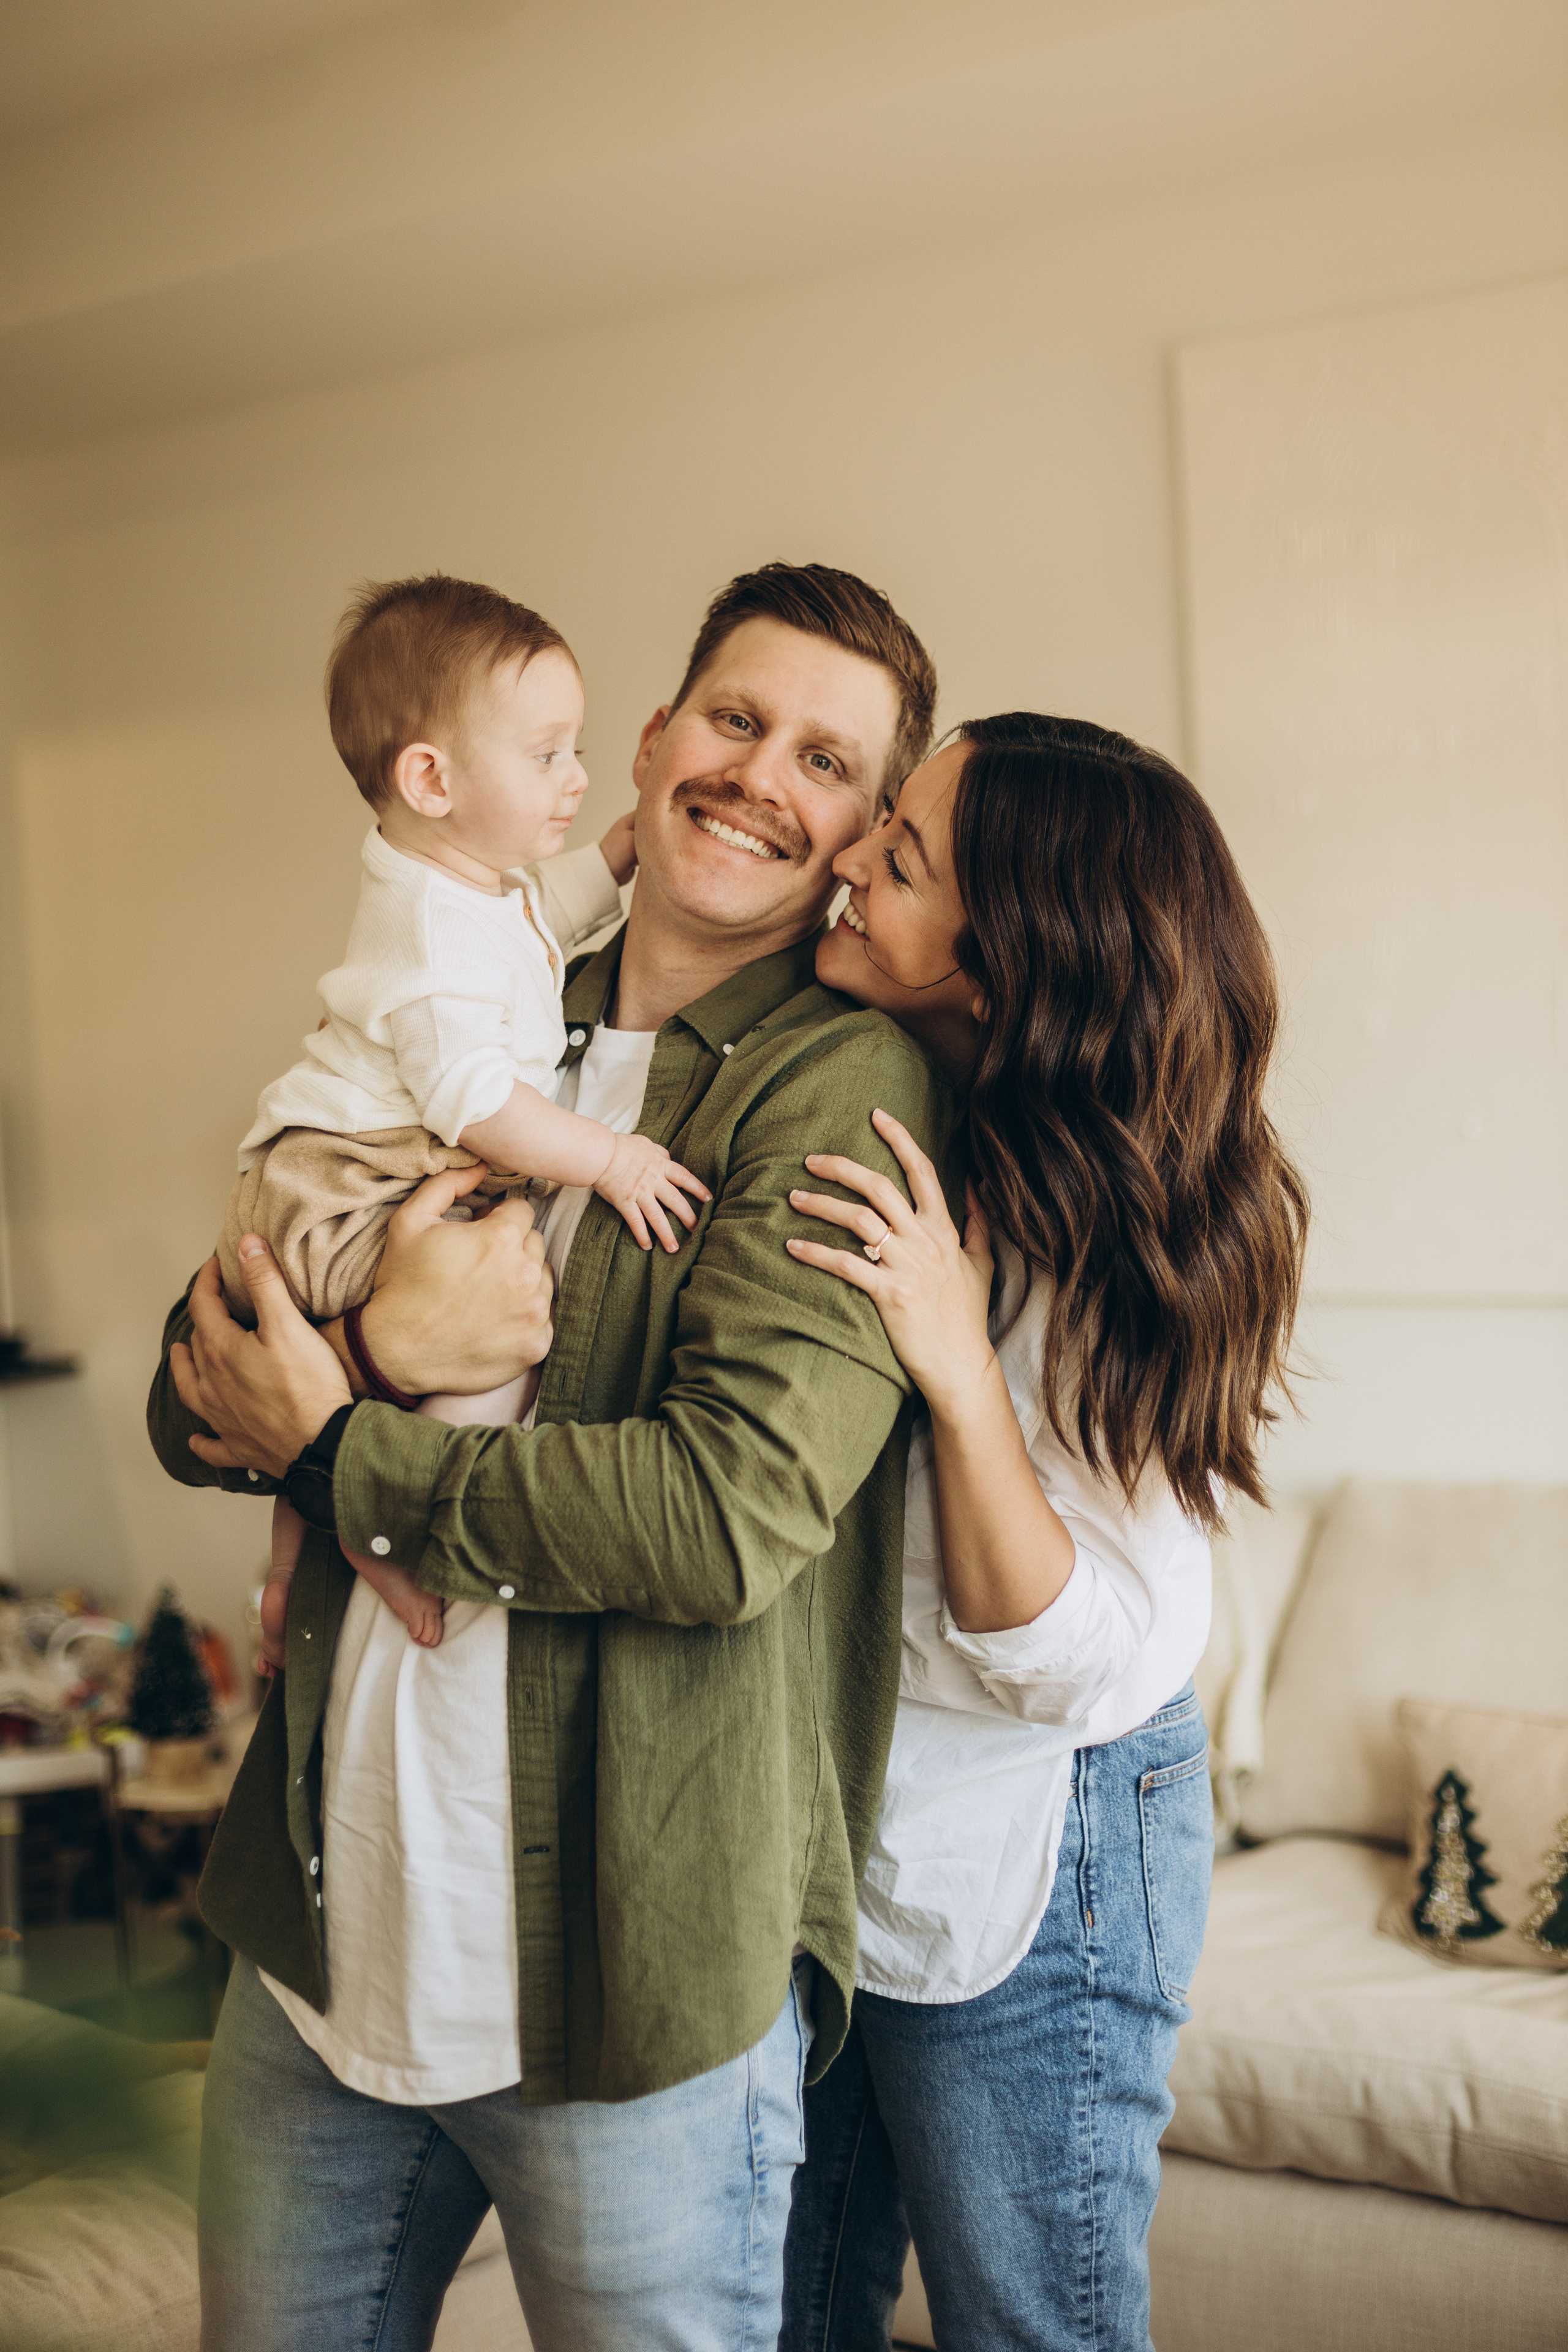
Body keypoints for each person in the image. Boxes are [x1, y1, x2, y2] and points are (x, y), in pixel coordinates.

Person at [146, 561, 952, 2352]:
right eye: (735, 720)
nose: (760, 775)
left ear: (858, 831)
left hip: (629, 1981)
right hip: (325, 1942)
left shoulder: (837, 1089)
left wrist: (344, 1444)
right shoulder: (471, 968)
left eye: (826, 761)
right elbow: (193, 1380)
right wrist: (366, 1357)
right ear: (651, 743)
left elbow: (723, 1517)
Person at [779, 714, 1309, 2352]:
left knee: (1035, 2328)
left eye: (902, 854)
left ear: (1006, 962)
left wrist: (956, 1368)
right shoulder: (892, 1099)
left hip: (1055, 1829)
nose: (849, 856)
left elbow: (1076, 1656)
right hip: (850, 1810)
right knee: (795, 2317)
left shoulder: (1113, 1232)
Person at [221, 574, 706, 1667]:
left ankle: (296, 1551)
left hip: (337, 1174)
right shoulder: (433, 943)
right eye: (546, 757)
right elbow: (479, 1106)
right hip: (348, 1187)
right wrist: (614, 1162)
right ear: (431, 778)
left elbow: (543, 916)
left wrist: (624, 852)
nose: (577, 779)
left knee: (338, 1379)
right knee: (488, 1354)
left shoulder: (473, 881)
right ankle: (387, 1530)